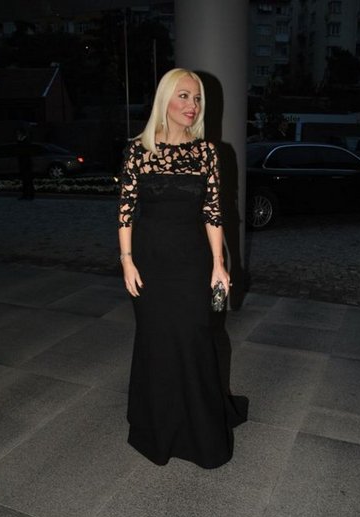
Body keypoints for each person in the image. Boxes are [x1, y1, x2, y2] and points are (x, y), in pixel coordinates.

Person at [118, 68, 247, 468]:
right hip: (150, 261)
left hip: (192, 262)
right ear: (166, 100)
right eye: (185, 96)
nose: (193, 105)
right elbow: (125, 212)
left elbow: (213, 212)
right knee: (156, 342)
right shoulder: (138, 150)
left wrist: (219, 265)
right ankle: (157, 429)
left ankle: (200, 433)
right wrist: (126, 261)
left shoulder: (207, 152)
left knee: (194, 340)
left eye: (197, 98)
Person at [16, 129, 35, 200]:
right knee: (25, 180)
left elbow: (25, 153)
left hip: (26, 164)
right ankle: (26, 194)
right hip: (23, 163)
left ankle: (29, 195)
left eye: (18, 133)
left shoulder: (25, 141)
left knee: (28, 180)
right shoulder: (21, 141)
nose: (17, 135)